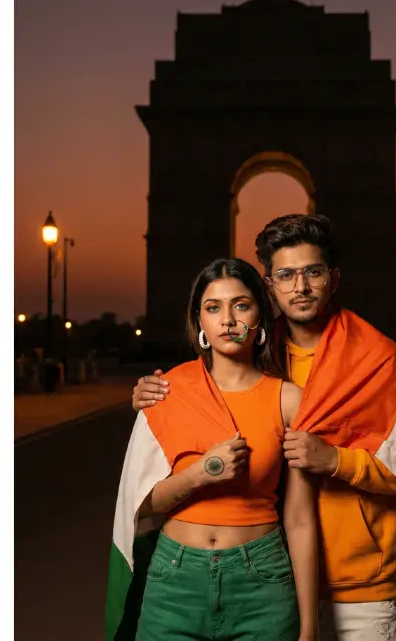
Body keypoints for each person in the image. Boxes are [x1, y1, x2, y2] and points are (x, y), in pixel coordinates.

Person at [132, 215, 396, 640]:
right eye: (286, 275)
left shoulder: (379, 360)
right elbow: (208, 392)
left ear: (334, 277)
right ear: (270, 286)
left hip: (361, 582)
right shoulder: (255, 357)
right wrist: (153, 395)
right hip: (272, 577)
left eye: (313, 272)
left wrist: (335, 460)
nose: (300, 287)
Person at [106, 258, 320, 641]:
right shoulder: (165, 391)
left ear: (260, 317)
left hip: (263, 582)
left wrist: (309, 626)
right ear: (199, 322)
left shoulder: (288, 400)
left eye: (241, 305)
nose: (228, 320)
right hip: (174, 583)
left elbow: (301, 518)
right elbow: (141, 504)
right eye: (213, 307)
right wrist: (200, 474)